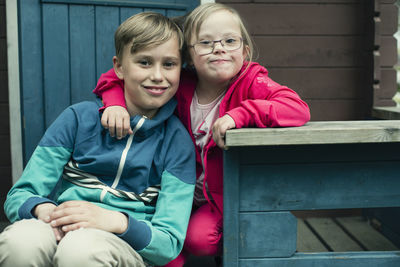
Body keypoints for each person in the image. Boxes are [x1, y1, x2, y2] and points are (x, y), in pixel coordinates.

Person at [93, 3, 311, 266]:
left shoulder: (251, 82)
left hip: (219, 196)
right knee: (167, 253)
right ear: (188, 56)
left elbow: (296, 107)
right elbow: (115, 76)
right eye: (205, 43)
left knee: (199, 239)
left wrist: (240, 115)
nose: (219, 48)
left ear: (245, 50)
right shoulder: (181, 83)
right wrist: (115, 103)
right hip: (173, 189)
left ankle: (239, 242)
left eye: (230, 41)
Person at [0, 12, 196, 267]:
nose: (158, 75)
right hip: (62, 223)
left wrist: (115, 221)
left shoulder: (177, 143)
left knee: (81, 250)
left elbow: (169, 241)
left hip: (122, 245)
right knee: (20, 242)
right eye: (144, 62)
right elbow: (20, 194)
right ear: (119, 67)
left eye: (169, 64)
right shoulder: (77, 119)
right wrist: (45, 211)